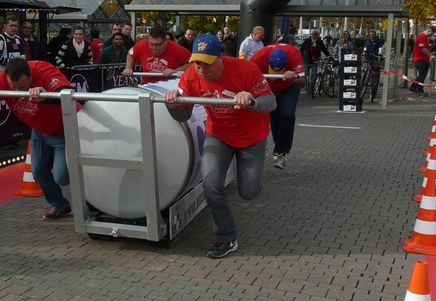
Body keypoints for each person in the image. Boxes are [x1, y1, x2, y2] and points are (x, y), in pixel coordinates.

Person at [164, 35, 276, 258]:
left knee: (249, 192)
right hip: (219, 134)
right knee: (211, 184)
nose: (201, 69)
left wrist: (252, 101)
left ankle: (251, 181)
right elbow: (183, 115)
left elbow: (271, 102)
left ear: (220, 57)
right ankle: (226, 237)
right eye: (197, 63)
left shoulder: (245, 69)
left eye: (207, 63)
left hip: (251, 137)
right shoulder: (190, 76)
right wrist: (173, 106)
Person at [0, 59, 74, 220]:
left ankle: (92, 196)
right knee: (38, 172)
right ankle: (59, 204)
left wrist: (45, 95)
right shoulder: (3, 77)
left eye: (22, 87)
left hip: (63, 130)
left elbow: (67, 94)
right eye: (14, 88)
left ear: (30, 76)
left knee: (62, 177)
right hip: (39, 131)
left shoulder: (43, 70)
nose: (19, 92)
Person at [251, 42, 306, 169]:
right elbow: (245, 76)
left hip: (288, 87)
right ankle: (278, 146)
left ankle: (282, 151)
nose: (275, 75)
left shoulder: (293, 55)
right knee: (274, 116)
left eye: (279, 71)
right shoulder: (259, 57)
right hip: (269, 88)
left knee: (287, 114)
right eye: (273, 70)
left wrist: (294, 77)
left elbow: (303, 83)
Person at [121, 24, 190, 78]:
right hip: (147, 85)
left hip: (169, 87)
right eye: (151, 44)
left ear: (166, 41)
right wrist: (128, 67)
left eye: (158, 44)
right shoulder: (142, 44)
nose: (154, 48)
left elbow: (192, 64)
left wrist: (174, 71)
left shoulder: (177, 49)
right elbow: (131, 54)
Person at [300, 30, 330, 96]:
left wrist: (329, 56)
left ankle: (311, 89)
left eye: (316, 34)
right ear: (311, 34)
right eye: (314, 34)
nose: (315, 36)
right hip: (307, 60)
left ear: (318, 35)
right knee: (305, 75)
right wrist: (301, 56)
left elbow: (324, 49)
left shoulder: (320, 42)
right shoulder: (307, 41)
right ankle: (306, 87)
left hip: (315, 60)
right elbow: (302, 48)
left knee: (313, 76)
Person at [410, 25, 434, 94]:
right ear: (428, 31)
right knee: (422, 75)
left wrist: (431, 49)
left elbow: (425, 48)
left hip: (423, 59)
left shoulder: (425, 37)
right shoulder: (422, 37)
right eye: (431, 34)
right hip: (420, 59)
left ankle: (413, 87)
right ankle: (419, 90)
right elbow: (423, 49)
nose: (431, 35)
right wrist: (430, 55)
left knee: (422, 75)